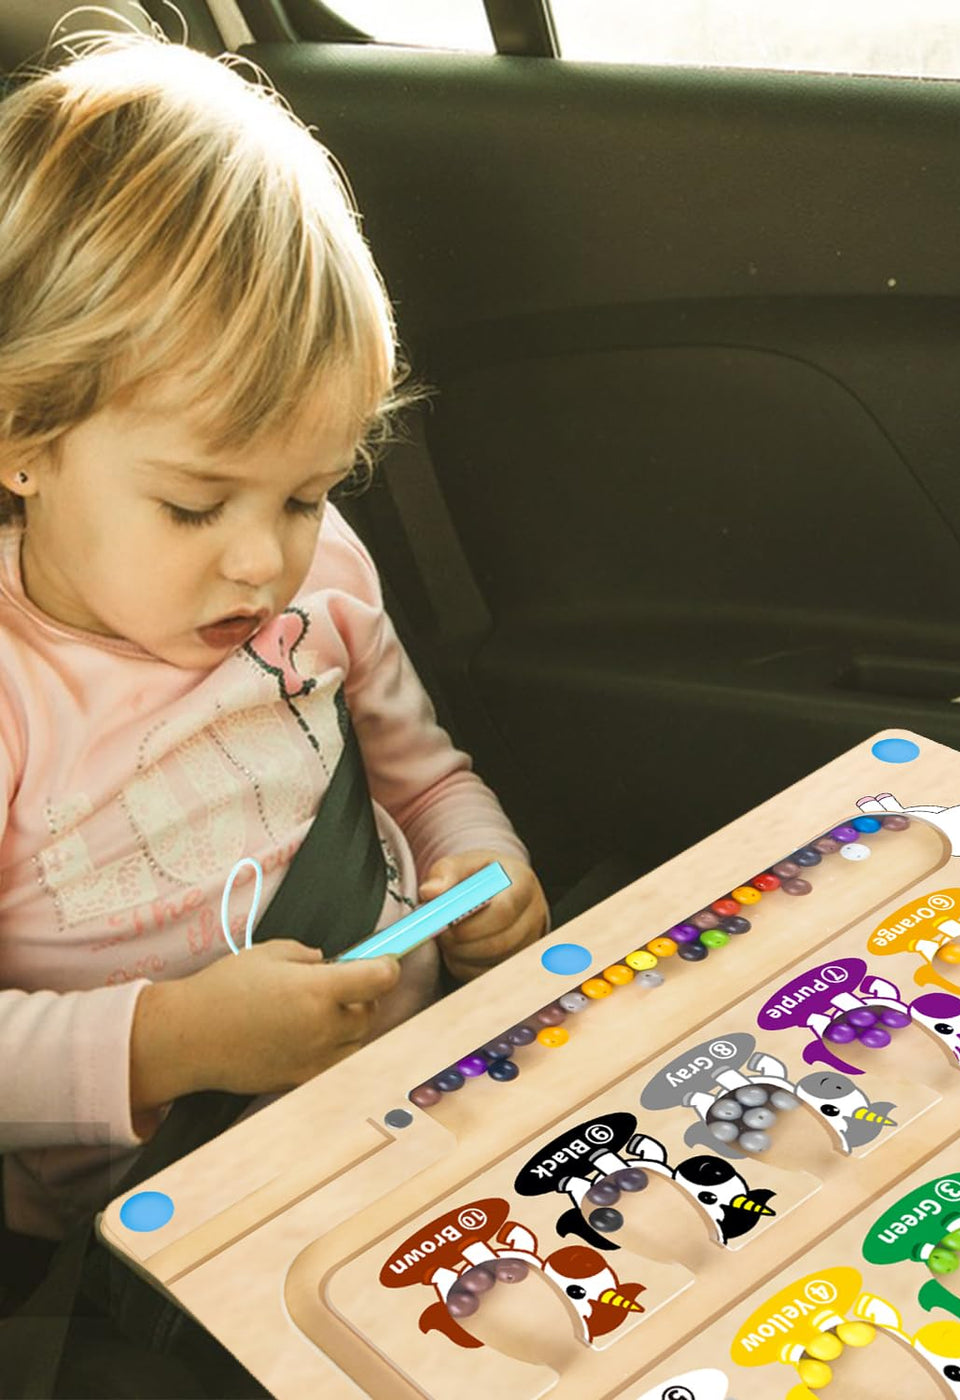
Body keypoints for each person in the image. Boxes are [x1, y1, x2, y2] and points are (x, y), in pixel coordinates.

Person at [0, 26, 548, 1395]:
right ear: (23, 440)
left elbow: (422, 777)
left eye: (305, 493)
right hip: (170, 1230)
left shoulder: (329, 579)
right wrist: (175, 1040)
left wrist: (481, 861)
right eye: (196, 505)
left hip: (431, 1105)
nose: (264, 561)